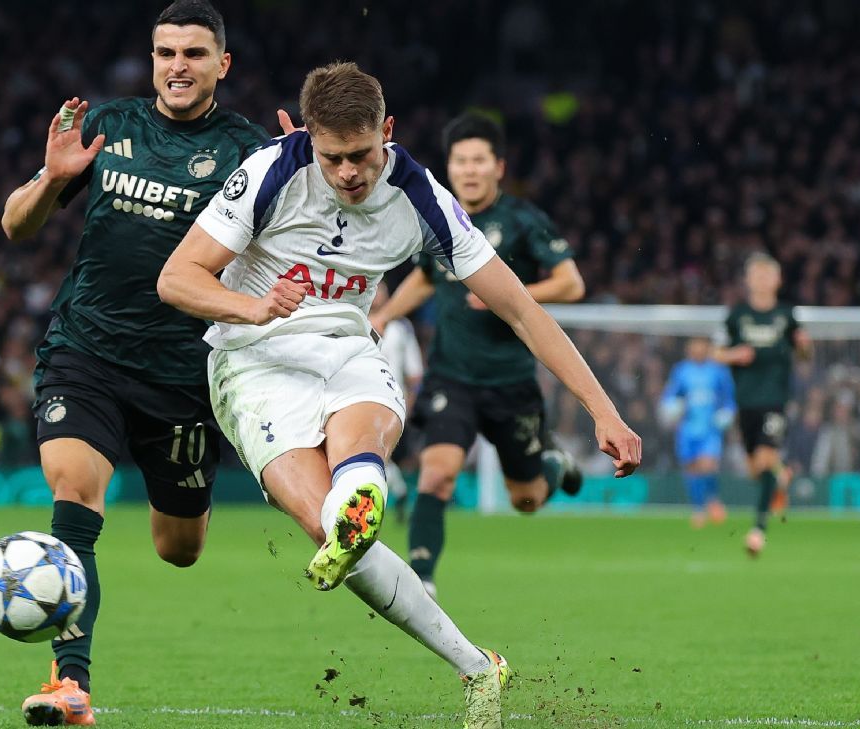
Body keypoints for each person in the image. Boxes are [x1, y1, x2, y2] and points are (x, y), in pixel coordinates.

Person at [158, 62, 641, 729]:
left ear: (387, 130)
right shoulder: (272, 169)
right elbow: (177, 278)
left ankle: (362, 488)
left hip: (350, 350)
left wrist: (603, 409)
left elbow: (524, 310)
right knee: (330, 531)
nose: (350, 171)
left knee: (356, 462)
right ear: (312, 141)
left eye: (362, 154)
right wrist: (253, 303)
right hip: (253, 361)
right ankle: (477, 664)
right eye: (333, 157)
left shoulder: (423, 196)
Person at [0, 1, 267, 724]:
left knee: (178, 546)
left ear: (222, 64)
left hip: (182, 376)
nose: (177, 66)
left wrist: (307, 177)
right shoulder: (110, 124)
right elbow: (15, 224)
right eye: (165, 52)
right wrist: (53, 178)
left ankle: (182, 504)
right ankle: (70, 683)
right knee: (74, 500)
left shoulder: (249, 149)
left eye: (193, 53)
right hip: (84, 351)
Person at [367, 111, 587, 597]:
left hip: (511, 380)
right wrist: (383, 318)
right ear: (449, 166)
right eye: (460, 160)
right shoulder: (438, 214)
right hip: (453, 376)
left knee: (526, 500)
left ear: (499, 167)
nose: (468, 170)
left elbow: (572, 283)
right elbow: (426, 276)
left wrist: (510, 292)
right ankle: (421, 580)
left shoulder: (524, 221)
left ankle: (555, 465)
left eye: (478, 161)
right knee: (438, 472)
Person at [713, 253, 811, 557]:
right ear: (748, 280)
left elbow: (804, 355)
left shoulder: (786, 315)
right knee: (756, 470)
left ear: (778, 280)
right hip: (746, 401)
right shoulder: (736, 316)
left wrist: (806, 347)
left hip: (775, 401)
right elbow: (716, 352)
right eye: (757, 274)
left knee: (766, 460)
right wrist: (733, 355)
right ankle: (780, 479)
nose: (763, 279)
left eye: (769, 274)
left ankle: (758, 530)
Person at [659, 337, 736, 528]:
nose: (698, 349)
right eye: (695, 345)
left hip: (710, 428)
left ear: (707, 347)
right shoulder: (681, 371)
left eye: (702, 345)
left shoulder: (718, 371)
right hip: (687, 429)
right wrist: (671, 407)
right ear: (689, 348)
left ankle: (713, 500)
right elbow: (670, 395)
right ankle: (698, 508)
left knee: (708, 465)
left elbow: (729, 398)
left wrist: (727, 414)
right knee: (692, 468)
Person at [372, 282, 423, 519]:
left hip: (394, 400)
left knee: (377, 452)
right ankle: (398, 490)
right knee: (375, 451)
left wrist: (410, 403)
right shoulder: (353, 321)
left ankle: (383, 498)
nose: (377, 296)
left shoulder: (402, 327)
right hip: (361, 396)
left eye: (383, 290)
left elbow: (414, 373)